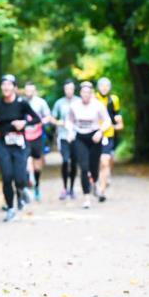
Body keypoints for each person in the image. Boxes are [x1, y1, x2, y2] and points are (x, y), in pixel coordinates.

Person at [0, 75, 42, 222]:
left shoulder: (22, 103)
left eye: (9, 84)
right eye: (3, 84)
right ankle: (10, 208)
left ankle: (22, 190)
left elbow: (37, 119)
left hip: (20, 145)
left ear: (15, 87)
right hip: (3, 145)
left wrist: (24, 123)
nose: (6, 87)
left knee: (19, 178)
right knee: (6, 176)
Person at [66, 81, 111, 209]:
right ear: (80, 93)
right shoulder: (74, 106)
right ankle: (86, 197)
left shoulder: (98, 105)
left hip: (95, 138)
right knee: (84, 168)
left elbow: (107, 120)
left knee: (94, 167)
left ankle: (95, 181)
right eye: (83, 92)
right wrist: (70, 131)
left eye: (88, 92)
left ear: (91, 94)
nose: (85, 95)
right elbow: (69, 120)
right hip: (80, 137)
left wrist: (101, 131)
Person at [21, 81, 52, 202]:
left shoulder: (41, 103)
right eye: (27, 91)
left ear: (34, 91)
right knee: (26, 161)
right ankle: (29, 183)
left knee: (37, 164)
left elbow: (48, 116)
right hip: (24, 136)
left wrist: (42, 121)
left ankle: (37, 185)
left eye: (31, 91)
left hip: (37, 135)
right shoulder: (21, 102)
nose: (29, 93)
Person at [95, 77, 124, 202]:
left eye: (107, 86)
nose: (104, 88)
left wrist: (117, 124)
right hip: (94, 134)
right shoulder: (93, 99)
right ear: (98, 87)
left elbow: (118, 119)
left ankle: (102, 190)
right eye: (102, 86)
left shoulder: (114, 100)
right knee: (97, 162)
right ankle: (96, 181)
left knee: (106, 161)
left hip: (108, 134)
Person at [51, 80, 78, 200]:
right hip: (63, 136)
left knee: (74, 162)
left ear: (74, 89)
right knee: (66, 161)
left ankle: (72, 189)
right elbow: (52, 118)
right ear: (64, 89)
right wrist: (59, 122)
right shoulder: (59, 103)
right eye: (67, 89)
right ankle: (64, 188)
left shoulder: (79, 101)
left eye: (71, 89)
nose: (69, 91)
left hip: (77, 136)